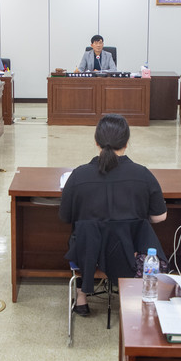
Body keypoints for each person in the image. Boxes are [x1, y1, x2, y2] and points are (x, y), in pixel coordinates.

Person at [59, 114, 167, 316]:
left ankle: (81, 297)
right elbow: (160, 217)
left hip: (88, 255)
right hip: (129, 255)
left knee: (82, 237)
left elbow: (65, 217)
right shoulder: (143, 174)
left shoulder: (78, 175)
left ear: (96, 142)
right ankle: (133, 295)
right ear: (126, 143)